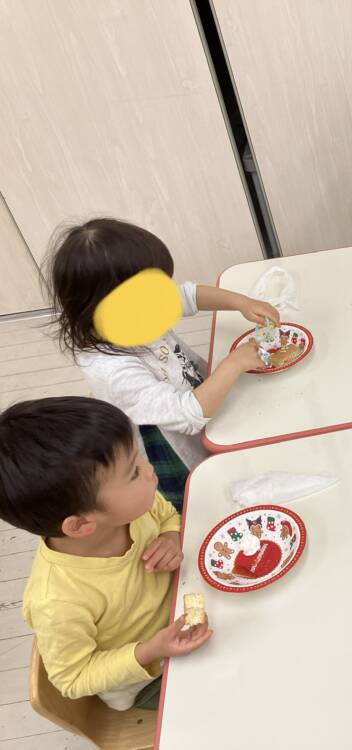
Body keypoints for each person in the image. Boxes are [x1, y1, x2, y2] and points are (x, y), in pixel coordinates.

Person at [47, 218, 277, 509]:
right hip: (174, 440)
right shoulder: (112, 369)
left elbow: (187, 295)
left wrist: (240, 302)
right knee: (204, 497)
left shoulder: (136, 309)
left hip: (203, 403)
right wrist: (232, 365)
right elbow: (186, 416)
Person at [0, 397, 212, 709]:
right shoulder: (58, 600)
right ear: (82, 524)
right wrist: (150, 650)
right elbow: (72, 679)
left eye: (137, 458)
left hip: (185, 602)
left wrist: (170, 535)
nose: (150, 469)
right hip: (149, 678)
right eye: (133, 472)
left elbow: (167, 514)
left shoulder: (129, 510)